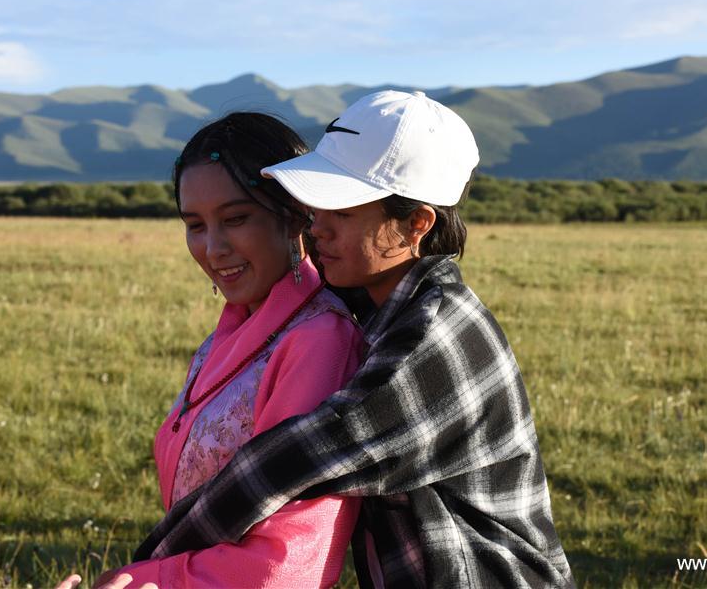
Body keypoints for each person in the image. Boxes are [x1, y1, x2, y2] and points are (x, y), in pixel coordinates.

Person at [133, 91, 576, 588]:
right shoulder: (378, 307)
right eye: (315, 206)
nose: (314, 226)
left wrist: (148, 565)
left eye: (341, 212)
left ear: (415, 225)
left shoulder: (436, 333)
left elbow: (302, 456)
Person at [60, 113, 363, 589]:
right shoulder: (230, 332)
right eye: (194, 225)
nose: (213, 248)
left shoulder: (319, 340)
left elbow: (286, 562)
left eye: (236, 218)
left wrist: (141, 580)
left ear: (295, 215)